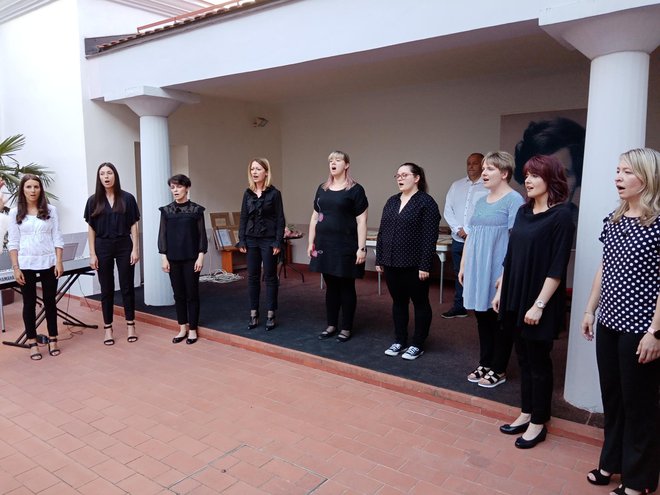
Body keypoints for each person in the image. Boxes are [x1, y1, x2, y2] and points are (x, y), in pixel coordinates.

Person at [581, 148, 660, 495]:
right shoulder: (613, 219)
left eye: (627, 172)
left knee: (639, 403)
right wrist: (589, 310)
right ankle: (610, 462)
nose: (618, 177)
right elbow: (604, 268)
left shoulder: (657, 223)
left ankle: (639, 479)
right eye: (617, 171)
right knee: (612, 398)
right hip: (609, 323)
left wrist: (656, 332)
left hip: (641, 329)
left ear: (647, 177)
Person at [493, 155, 575, 449]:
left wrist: (539, 305)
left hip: (540, 299)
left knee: (539, 361)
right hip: (516, 294)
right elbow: (511, 255)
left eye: (534, 175)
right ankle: (526, 412)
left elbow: (557, 266)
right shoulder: (523, 212)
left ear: (550, 179)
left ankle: (539, 421)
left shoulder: (562, 216)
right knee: (523, 357)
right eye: (526, 175)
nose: (527, 180)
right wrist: (501, 289)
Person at [459, 151, 523, 387]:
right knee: (482, 317)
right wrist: (464, 264)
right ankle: (485, 363)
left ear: (504, 173)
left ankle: (499, 368)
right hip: (477, 266)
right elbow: (472, 233)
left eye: (490, 169)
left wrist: (504, 275)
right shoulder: (480, 200)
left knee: (500, 320)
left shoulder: (514, 200)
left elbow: (516, 241)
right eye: (483, 168)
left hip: (497, 267)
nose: (483, 173)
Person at [376, 163, 440, 360]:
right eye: (397, 175)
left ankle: (418, 343)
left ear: (417, 178)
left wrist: (425, 265)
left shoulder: (426, 202)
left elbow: (430, 237)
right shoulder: (392, 201)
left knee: (420, 303)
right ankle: (400, 340)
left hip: (414, 265)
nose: (400, 178)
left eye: (404, 175)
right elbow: (382, 231)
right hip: (391, 263)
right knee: (398, 303)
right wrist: (380, 258)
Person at [308, 150, 368, 343]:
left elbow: (362, 221)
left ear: (347, 165)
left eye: (338, 160)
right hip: (325, 245)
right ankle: (331, 324)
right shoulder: (322, 188)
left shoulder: (355, 190)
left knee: (346, 286)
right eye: (330, 161)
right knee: (331, 286)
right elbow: (315, 216)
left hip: (346, 246)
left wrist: (361, 247)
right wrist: (311, 242)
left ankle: (347, 327)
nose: (333, 163)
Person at [8, 175, 64, 360]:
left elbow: (57, 236)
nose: (33, 190)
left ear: (41, 189)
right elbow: (13, 242)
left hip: (49, 262)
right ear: (23, 189)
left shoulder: (51, 210)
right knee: (29, 303)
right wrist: (16, 267)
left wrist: (59, 261)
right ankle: (32, 341)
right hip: (25, 264)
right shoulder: (15, 212)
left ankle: (53, 339)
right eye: (29, 187)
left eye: (36, 187)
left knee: (50, 302)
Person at [84, 162, 141, 345]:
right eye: (102, 173)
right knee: (106, 289)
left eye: (109, 173)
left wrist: (135, 248)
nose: (106, 176)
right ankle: (108, 328)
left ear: (115, 175)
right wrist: (92, 253)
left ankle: (130, 325)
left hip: (124, 244)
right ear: (99, 177)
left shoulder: (128, 198)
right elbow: (91, 228)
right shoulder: (93, 201)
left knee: (127, 287)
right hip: (102, 246)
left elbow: (134, 224)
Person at [158, 174, 208, 345]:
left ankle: (193, 330)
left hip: (191, 259)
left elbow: (202, 236)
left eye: (178, 187)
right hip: (173, 259)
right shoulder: (166, 211)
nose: (175, 190)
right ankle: (182, 328)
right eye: (172, 187)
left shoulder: (196, 210)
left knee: (192, 294)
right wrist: (163, 257)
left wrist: (200, 257)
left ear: (187, 188)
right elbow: (162, 235)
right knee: (178, 295)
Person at [237, 158, 285, 330]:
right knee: (252, 277)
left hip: (269, 239)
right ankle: (253, 313)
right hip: (251, 240)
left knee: (270, 276)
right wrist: (241, 239)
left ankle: (271, 313)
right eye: (252, 169)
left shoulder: (274, 193)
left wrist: (278, 241)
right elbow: (243, 217)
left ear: (266, 172)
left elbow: (280, 219)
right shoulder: (247, 193)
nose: (254, 172)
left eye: (258, 169)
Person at [442, 152, 487, 318]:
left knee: (481, 272)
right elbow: (448, 209)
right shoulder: (457, 185)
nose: (471, 166)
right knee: (458, 272)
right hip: (458, 239)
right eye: (468, 163)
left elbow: (486, 212)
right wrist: (458, 229)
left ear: (483, 165)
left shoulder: (488, 186)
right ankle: (459, 306)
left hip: (479, 240)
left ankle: (481, 307)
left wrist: (469, 231)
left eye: (475, 163)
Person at [514, 117, 585, 216]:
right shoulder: (519, 218)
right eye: (539, 174)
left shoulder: (585, 226)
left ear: (577, 178)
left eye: (562, 174)